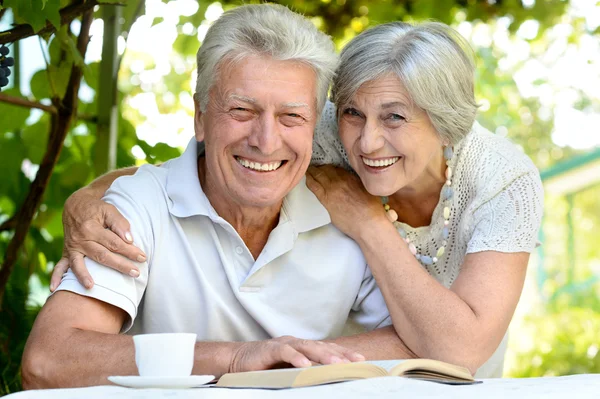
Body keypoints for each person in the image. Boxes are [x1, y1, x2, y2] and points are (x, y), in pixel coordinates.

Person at [49, 20, 544, 378]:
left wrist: (369, 225)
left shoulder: (503, 184)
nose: (367, 144)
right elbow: (200, 164)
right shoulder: (314, 132)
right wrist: (89, 198)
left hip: (454, 362)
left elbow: (459, 348)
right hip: (343, 368)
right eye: (352, 113)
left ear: (444, 122)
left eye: (395, 117)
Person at [21, 4, 415, 389]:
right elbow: (48, 360)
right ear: (200, 116)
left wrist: (290, 361)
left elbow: (416, 340)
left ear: (315, 126)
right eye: (242, 110)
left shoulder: (344, 209)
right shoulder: (139, 205)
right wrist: (237, 360)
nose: (265, 141)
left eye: (291, 116)